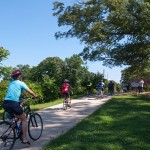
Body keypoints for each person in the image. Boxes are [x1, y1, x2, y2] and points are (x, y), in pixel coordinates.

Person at [2, 70, 37, 145]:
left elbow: (20, 93)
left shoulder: (10, 83)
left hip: (5, 103)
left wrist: (23, 96)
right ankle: (24, 139)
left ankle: (12, 123)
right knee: (24, 119)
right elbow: (29, 92)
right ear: (19, 76)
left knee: (17, 111)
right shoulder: (21, 83)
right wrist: (35, 96)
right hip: (13, 103)